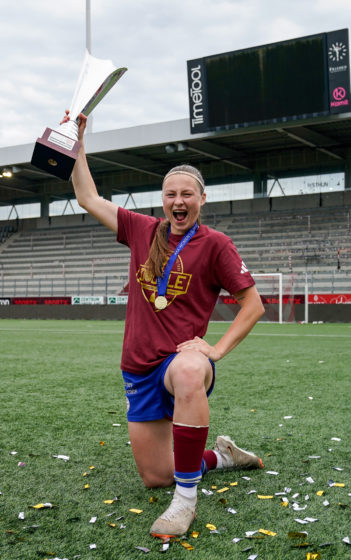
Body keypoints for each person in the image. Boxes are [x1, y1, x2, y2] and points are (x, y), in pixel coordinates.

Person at [66, 111, 266, 539]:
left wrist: (214, 350)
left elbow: (253, 304)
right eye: (171, 194)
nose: (179, 201)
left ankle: (185, 504)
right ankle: (224, 456)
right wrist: (78, 144)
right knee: (156, 475)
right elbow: (88, 198)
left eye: (188, 195)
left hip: (178, 364)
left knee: (193, 368)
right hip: (138, 367)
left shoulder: (216, 245)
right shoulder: (142, 230)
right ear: (162, 198)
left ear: (202, 199)